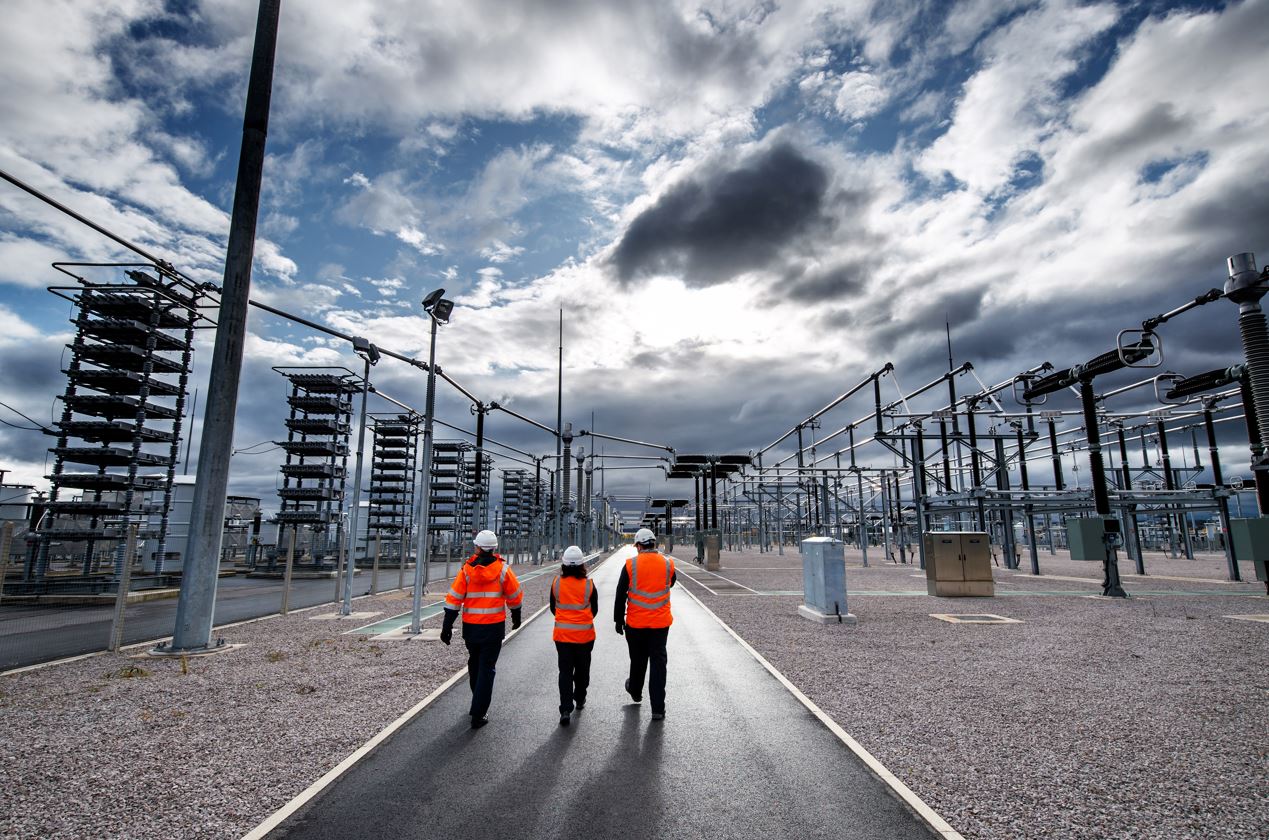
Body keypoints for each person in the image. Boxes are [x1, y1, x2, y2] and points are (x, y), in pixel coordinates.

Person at [440, 529, 524, 729]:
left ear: (477, 547)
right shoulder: (503, 570)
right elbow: (515, 596)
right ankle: (479, 712)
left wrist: (447, 626)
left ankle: (477, 701)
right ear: (495, 548)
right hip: (493, 628)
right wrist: (516, 617)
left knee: (475, 664)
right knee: (487, 668)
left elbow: (454, 599)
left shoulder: (467, 570)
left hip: (471, 628)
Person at [614, 527, 676, 721]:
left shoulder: (630, 565)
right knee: (658, 664)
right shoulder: (668, 564)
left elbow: (620, 593)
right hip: (660, 625)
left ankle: (635, 690)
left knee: (638, 660)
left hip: (636, 624)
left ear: (639, 546)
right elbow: (671, 582)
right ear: (654, 544)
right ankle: (658, 709)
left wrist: (618, 619)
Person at [550, 545, 599, 727]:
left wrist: (565, 619)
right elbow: (594, 610)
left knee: (564, 671)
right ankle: (580, 698)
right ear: (582, 565)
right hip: (584, 636)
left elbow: (553, 608)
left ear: (563, 564)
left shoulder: (556, 583)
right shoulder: (589, 585)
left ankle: (565, 708)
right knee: (582, 669)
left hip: (562, 636)